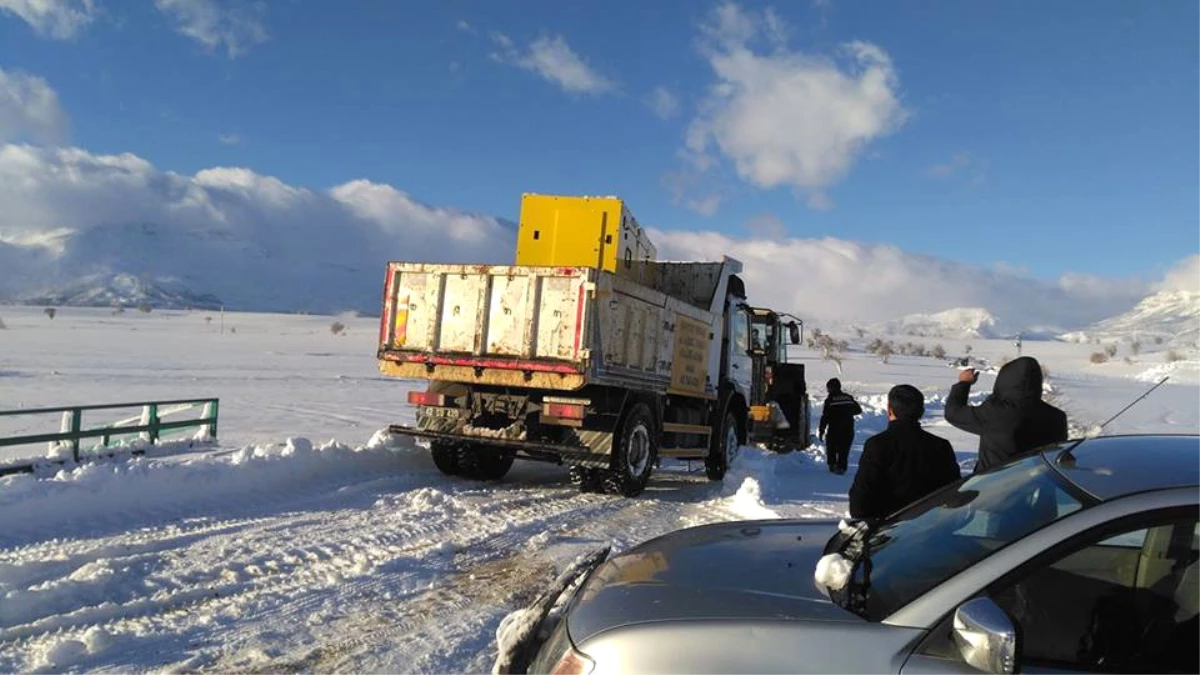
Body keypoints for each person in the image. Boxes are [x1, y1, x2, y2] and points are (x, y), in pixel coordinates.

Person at [848, 384, 961, 520]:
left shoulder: (878, 445)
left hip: (889, 530)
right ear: (921, 411)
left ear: (889, 410)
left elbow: (860, 503)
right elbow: (954, 495)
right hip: (932, 528)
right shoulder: (940, 446)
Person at [945, 355, 1068, 474]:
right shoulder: (1058, 417)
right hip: (1037, 487)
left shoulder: (994, 413)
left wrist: (963, 384)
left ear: (1004, 381)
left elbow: (953, 413)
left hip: (993, 488)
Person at [819, 377, 861, 474]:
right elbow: (858, 410)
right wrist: (847, 412)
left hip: (834, 430)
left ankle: (832, 465)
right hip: (848, 429)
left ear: (831, 388)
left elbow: (825, 417)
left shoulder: (830, 400)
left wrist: (821, 430)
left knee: (831, 448)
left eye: (828, 388)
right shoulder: (849, 398)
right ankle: (842, 468)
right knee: (844, 450)